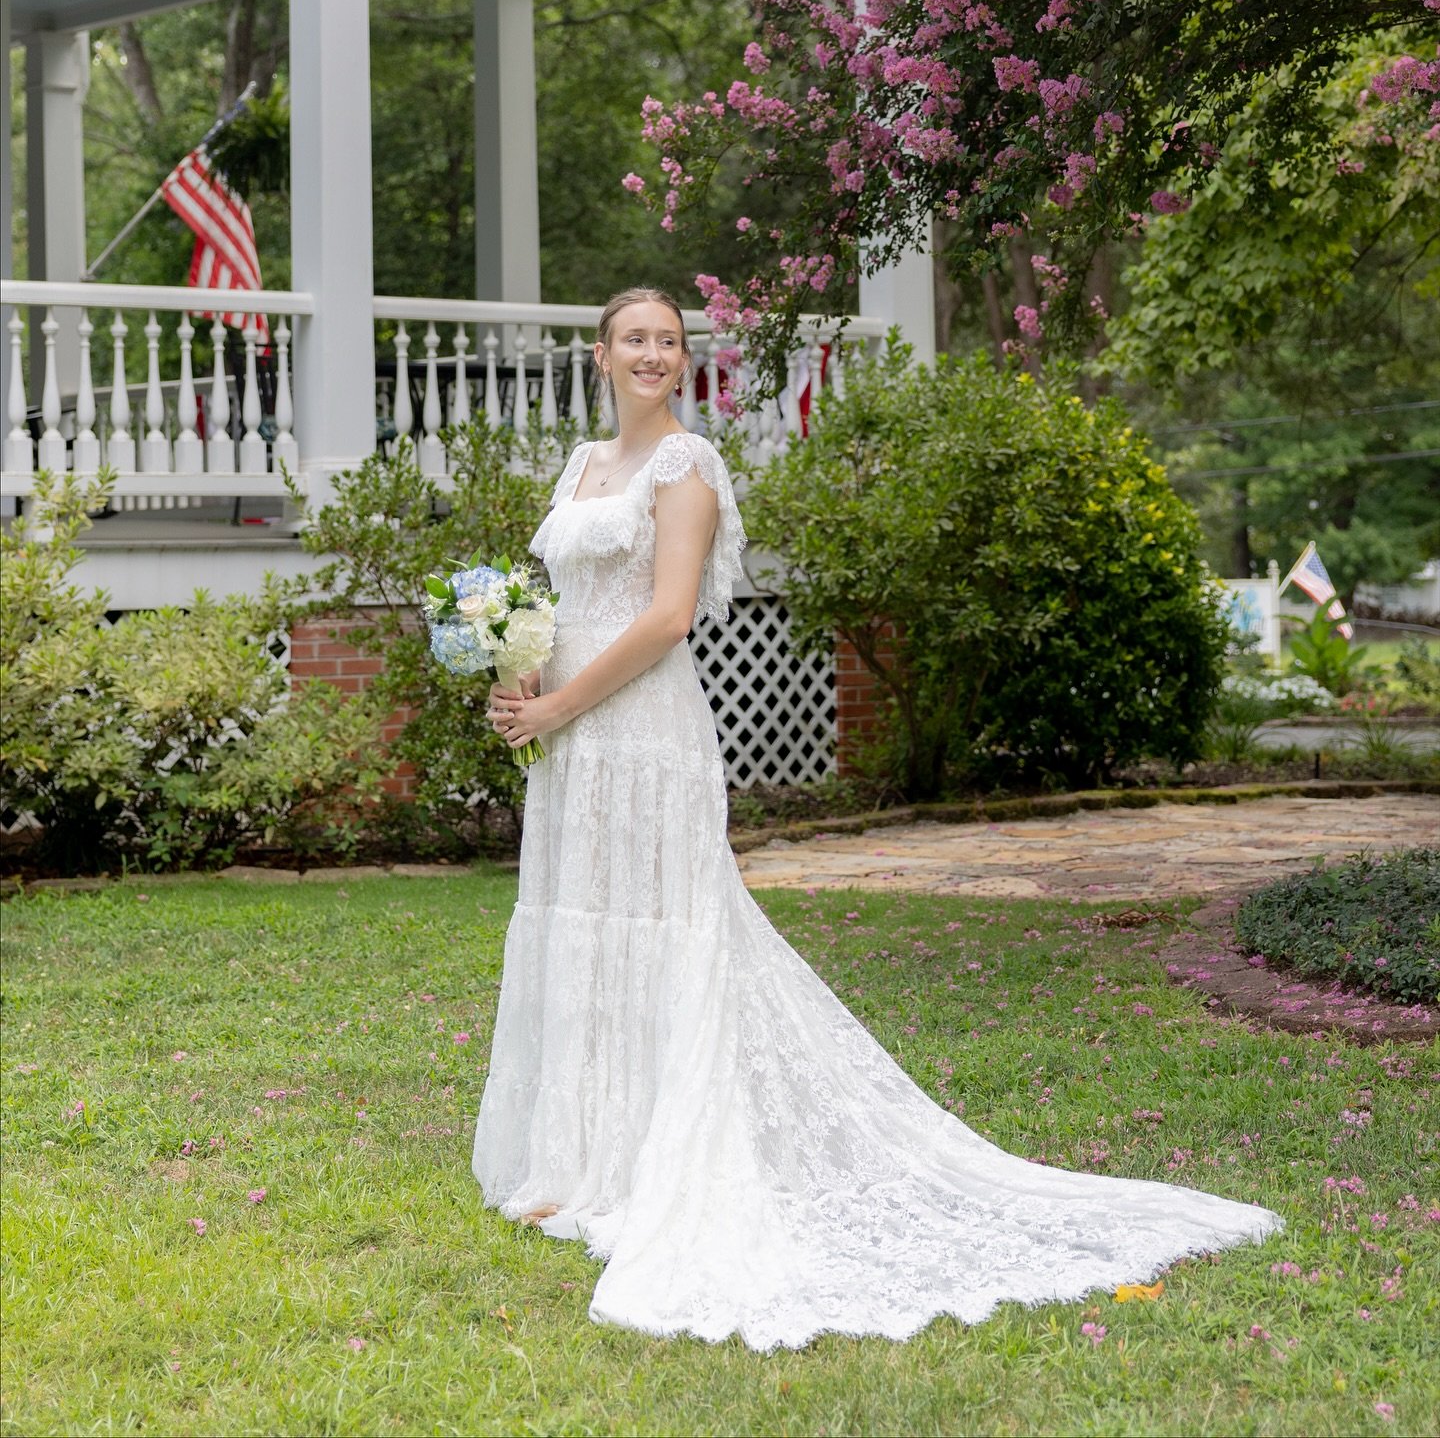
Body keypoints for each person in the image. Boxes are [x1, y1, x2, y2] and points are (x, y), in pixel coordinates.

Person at [474, 286, 1283, 1351]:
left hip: (644, 735)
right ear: (600, 354)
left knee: (664, 937)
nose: (654, 354)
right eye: (635, 339)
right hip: (571, 745)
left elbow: (667, 618)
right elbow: (564, 600)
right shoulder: (580, 465)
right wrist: (517, 678)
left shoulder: (688, 466)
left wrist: (563, 704)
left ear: (684, 358)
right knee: (586, 925)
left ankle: (650, 1166)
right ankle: (580, 1163)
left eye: (670, 341)